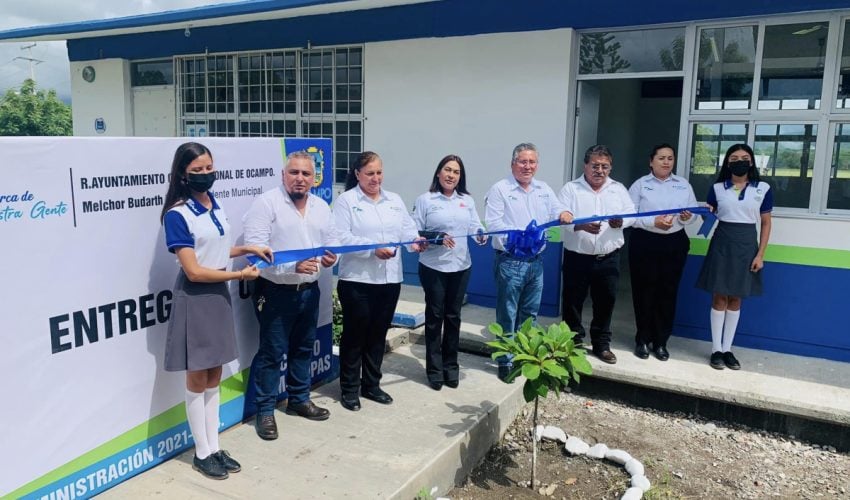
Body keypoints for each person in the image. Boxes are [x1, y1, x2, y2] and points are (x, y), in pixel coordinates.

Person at [160, 142, 272, 480]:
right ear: (183, 173)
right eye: (198, 171)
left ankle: (214, 445)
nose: (206, 175)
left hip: (218, 296)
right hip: (196, 298)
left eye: (209, 168)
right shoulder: (177, 214)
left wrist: (248, 247)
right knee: (197, 376)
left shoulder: (213, 203)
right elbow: (194, 270)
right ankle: (201, 452)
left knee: (214, 375)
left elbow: (218, 249)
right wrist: (239, 273)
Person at [242, 151, 338, 441]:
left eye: (306, 174)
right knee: (272, 354)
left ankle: (299, 399)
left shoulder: (321, 206)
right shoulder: (266, 204)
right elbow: (254, 251)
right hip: (276, 292)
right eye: (294, 172)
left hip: (310, 290)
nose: (300, 178)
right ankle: (266, 411)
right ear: (283, 175)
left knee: (303, 349)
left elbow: (332, 242)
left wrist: (330, 257)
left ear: (314, 178)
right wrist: (291, 266)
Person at [332, 151, 425, 411]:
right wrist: (373, 248)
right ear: (357, 174)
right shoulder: (347, 201)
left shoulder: (394, 199)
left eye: (379, 173)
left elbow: (407, 230)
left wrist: (416, 242)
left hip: (389, 279)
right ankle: (349, 389)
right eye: (370, 173)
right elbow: (341, 238)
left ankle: (371, 385)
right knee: (355, 335)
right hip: (357, 281)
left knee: (377, 334)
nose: (375, 178)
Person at [485, 143, 574, 381]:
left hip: (536, 262)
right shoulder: (500, 189)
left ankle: (525, 357)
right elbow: (493, 224)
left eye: (532, 162)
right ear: (513, 163)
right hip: (511, 261)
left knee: (530, 313)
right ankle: (506, 361)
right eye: (522, 161)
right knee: (508, 314)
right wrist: (518, 238)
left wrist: (565, 214)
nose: (527, 166)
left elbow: (558, 210)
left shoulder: (543, 189)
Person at [413, 154, 487, 391]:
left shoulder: (467, 200)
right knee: (435, 317)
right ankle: (434, 371)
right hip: (433, 267)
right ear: (438, 172)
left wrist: (480, 233)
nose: (451, 175)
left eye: (456, 172)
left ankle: (450, 367)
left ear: (460, 177)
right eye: (447, 170)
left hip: (461, 266)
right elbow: (414, 230)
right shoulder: (426, 200)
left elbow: (476, 225)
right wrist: (436, 238)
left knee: (453, 318)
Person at [697, 144, 772, 370]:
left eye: (745, 157)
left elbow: (766, 223)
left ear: (751, 162)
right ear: (727, 163)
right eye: (734, 158)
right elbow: (709, 218)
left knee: (737, 297)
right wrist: (704, 215)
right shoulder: (718, 188)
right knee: (719, 296)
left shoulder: (763, 188)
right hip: (722, 242)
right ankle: (716, 350)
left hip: (747, 244)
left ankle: (728, 349)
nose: (740, 161)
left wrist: (760, 254)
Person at [558, 144, 635, 365]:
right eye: (595, 165)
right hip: (577, 257)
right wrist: (579, 226)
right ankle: (572, 344)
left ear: (610, 168)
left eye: (605, 166)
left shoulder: (618, 189)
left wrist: (622, 222)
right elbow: (561, 218)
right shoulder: (571, 189)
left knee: (606, 302)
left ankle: (602, 344)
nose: (599, 170)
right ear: (586, 165)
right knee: (573, 302)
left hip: (608, 258)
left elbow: (632, 215)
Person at [628, 144, 698, 361]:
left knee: (667, 293)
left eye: (670, 158)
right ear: (651, 161)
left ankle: (660, 342)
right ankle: (642, 339)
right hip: (645, 242)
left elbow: (694, 213)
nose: (666, 162)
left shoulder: (683, 185)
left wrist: (688, 217)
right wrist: (653, 221)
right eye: (661, 158)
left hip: (674, 243)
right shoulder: (640, 185)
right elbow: (629, 216)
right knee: (644, 292)